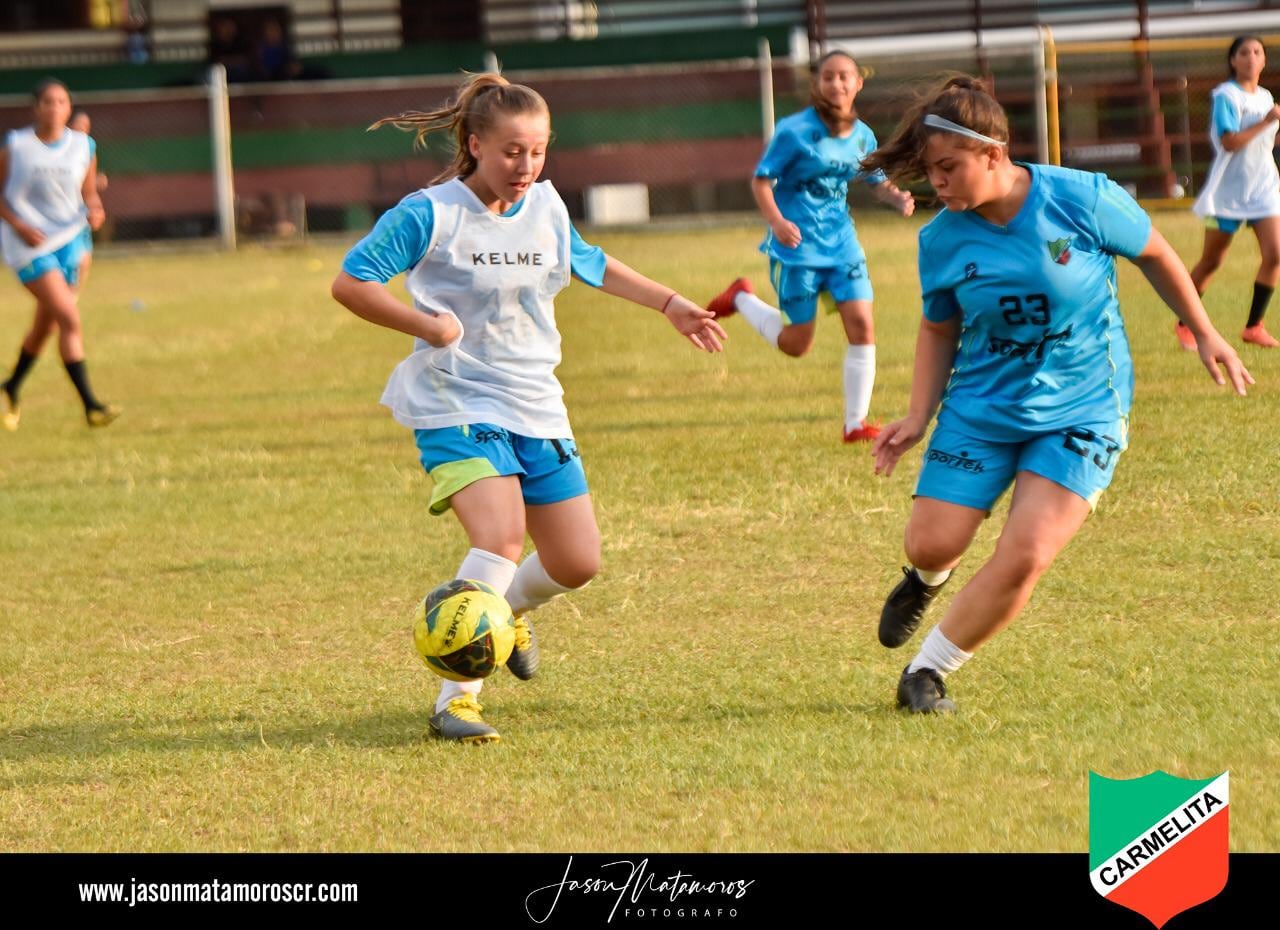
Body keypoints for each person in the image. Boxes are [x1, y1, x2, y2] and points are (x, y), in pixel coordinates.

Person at [330, 73, 728, 743]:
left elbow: (588, 262)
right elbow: (351, 283)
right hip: (455, 399)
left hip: (536, 404)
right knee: (500, 538)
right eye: (513, 151)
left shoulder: (546, 206)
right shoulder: (429, 214)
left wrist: (669, 302)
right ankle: (455, 700)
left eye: (538, 151)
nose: (526, 166)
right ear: (476, 143)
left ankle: (502, 613)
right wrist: (427, 327)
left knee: (577, 562)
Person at [860, 76, 1252, 714]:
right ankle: (927, 579)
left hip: (1084, 407)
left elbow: (1155, 252)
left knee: (1027, 553)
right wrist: (916, 413)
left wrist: (1204, 332)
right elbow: (939, 326)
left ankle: (926, 673)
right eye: (932, 171)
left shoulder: (1081, 198)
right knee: (930, 543)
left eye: (949, 168)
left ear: (994, 153)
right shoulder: (941, 238)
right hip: (982, 408)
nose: (939, 184)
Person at [706, 50, 914, 443]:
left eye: (844, 77)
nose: (837, 84)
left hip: (842, 245)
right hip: (797, 248)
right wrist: (778, 222)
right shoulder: (794, 131)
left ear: (858, 83)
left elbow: (875, 179)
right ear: (817, 85)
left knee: (863, 326)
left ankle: (855, 424)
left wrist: (897, 198)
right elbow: (761, 181)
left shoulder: (863, 135)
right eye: (828, 77)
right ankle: (741, 298)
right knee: (797, 344)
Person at [0, 79, 118, 431]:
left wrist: (95, 209)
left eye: (61, 101)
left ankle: (11, 386)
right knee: (69, 318)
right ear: (35, 108)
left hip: (73, 242)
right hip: (30, 244)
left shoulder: (84, 146)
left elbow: (89, 193)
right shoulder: (17, 145)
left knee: (45, 326)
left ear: (69, 108)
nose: (54, 107)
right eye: (48, 102)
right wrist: (19, 226)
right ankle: (91, 405)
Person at [1176, 35, 1280, 350]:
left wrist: (1270, 127)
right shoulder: (1226, 96)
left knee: (1275, 254)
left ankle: (1254, 326)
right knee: (1212, 261)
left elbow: (1265, 144)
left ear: (1264, 60)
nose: (1251, 57)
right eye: (1244, 52)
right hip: (1226, 193)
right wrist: (1266, 122)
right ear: (1233, 60)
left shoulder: (1265, 96)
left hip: (1263, 187)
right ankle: (1185, 323)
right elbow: (1229, 142)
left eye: (1257, 52)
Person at [68, 109, 107, 287]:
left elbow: (89, 187)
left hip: (80, 210)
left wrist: (96, 208)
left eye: (86, 126)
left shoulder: (89, 145)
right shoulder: (59, 146)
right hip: (61, 211)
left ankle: (72, 297)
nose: (83, 129)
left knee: (84, 256)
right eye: (79, 125)